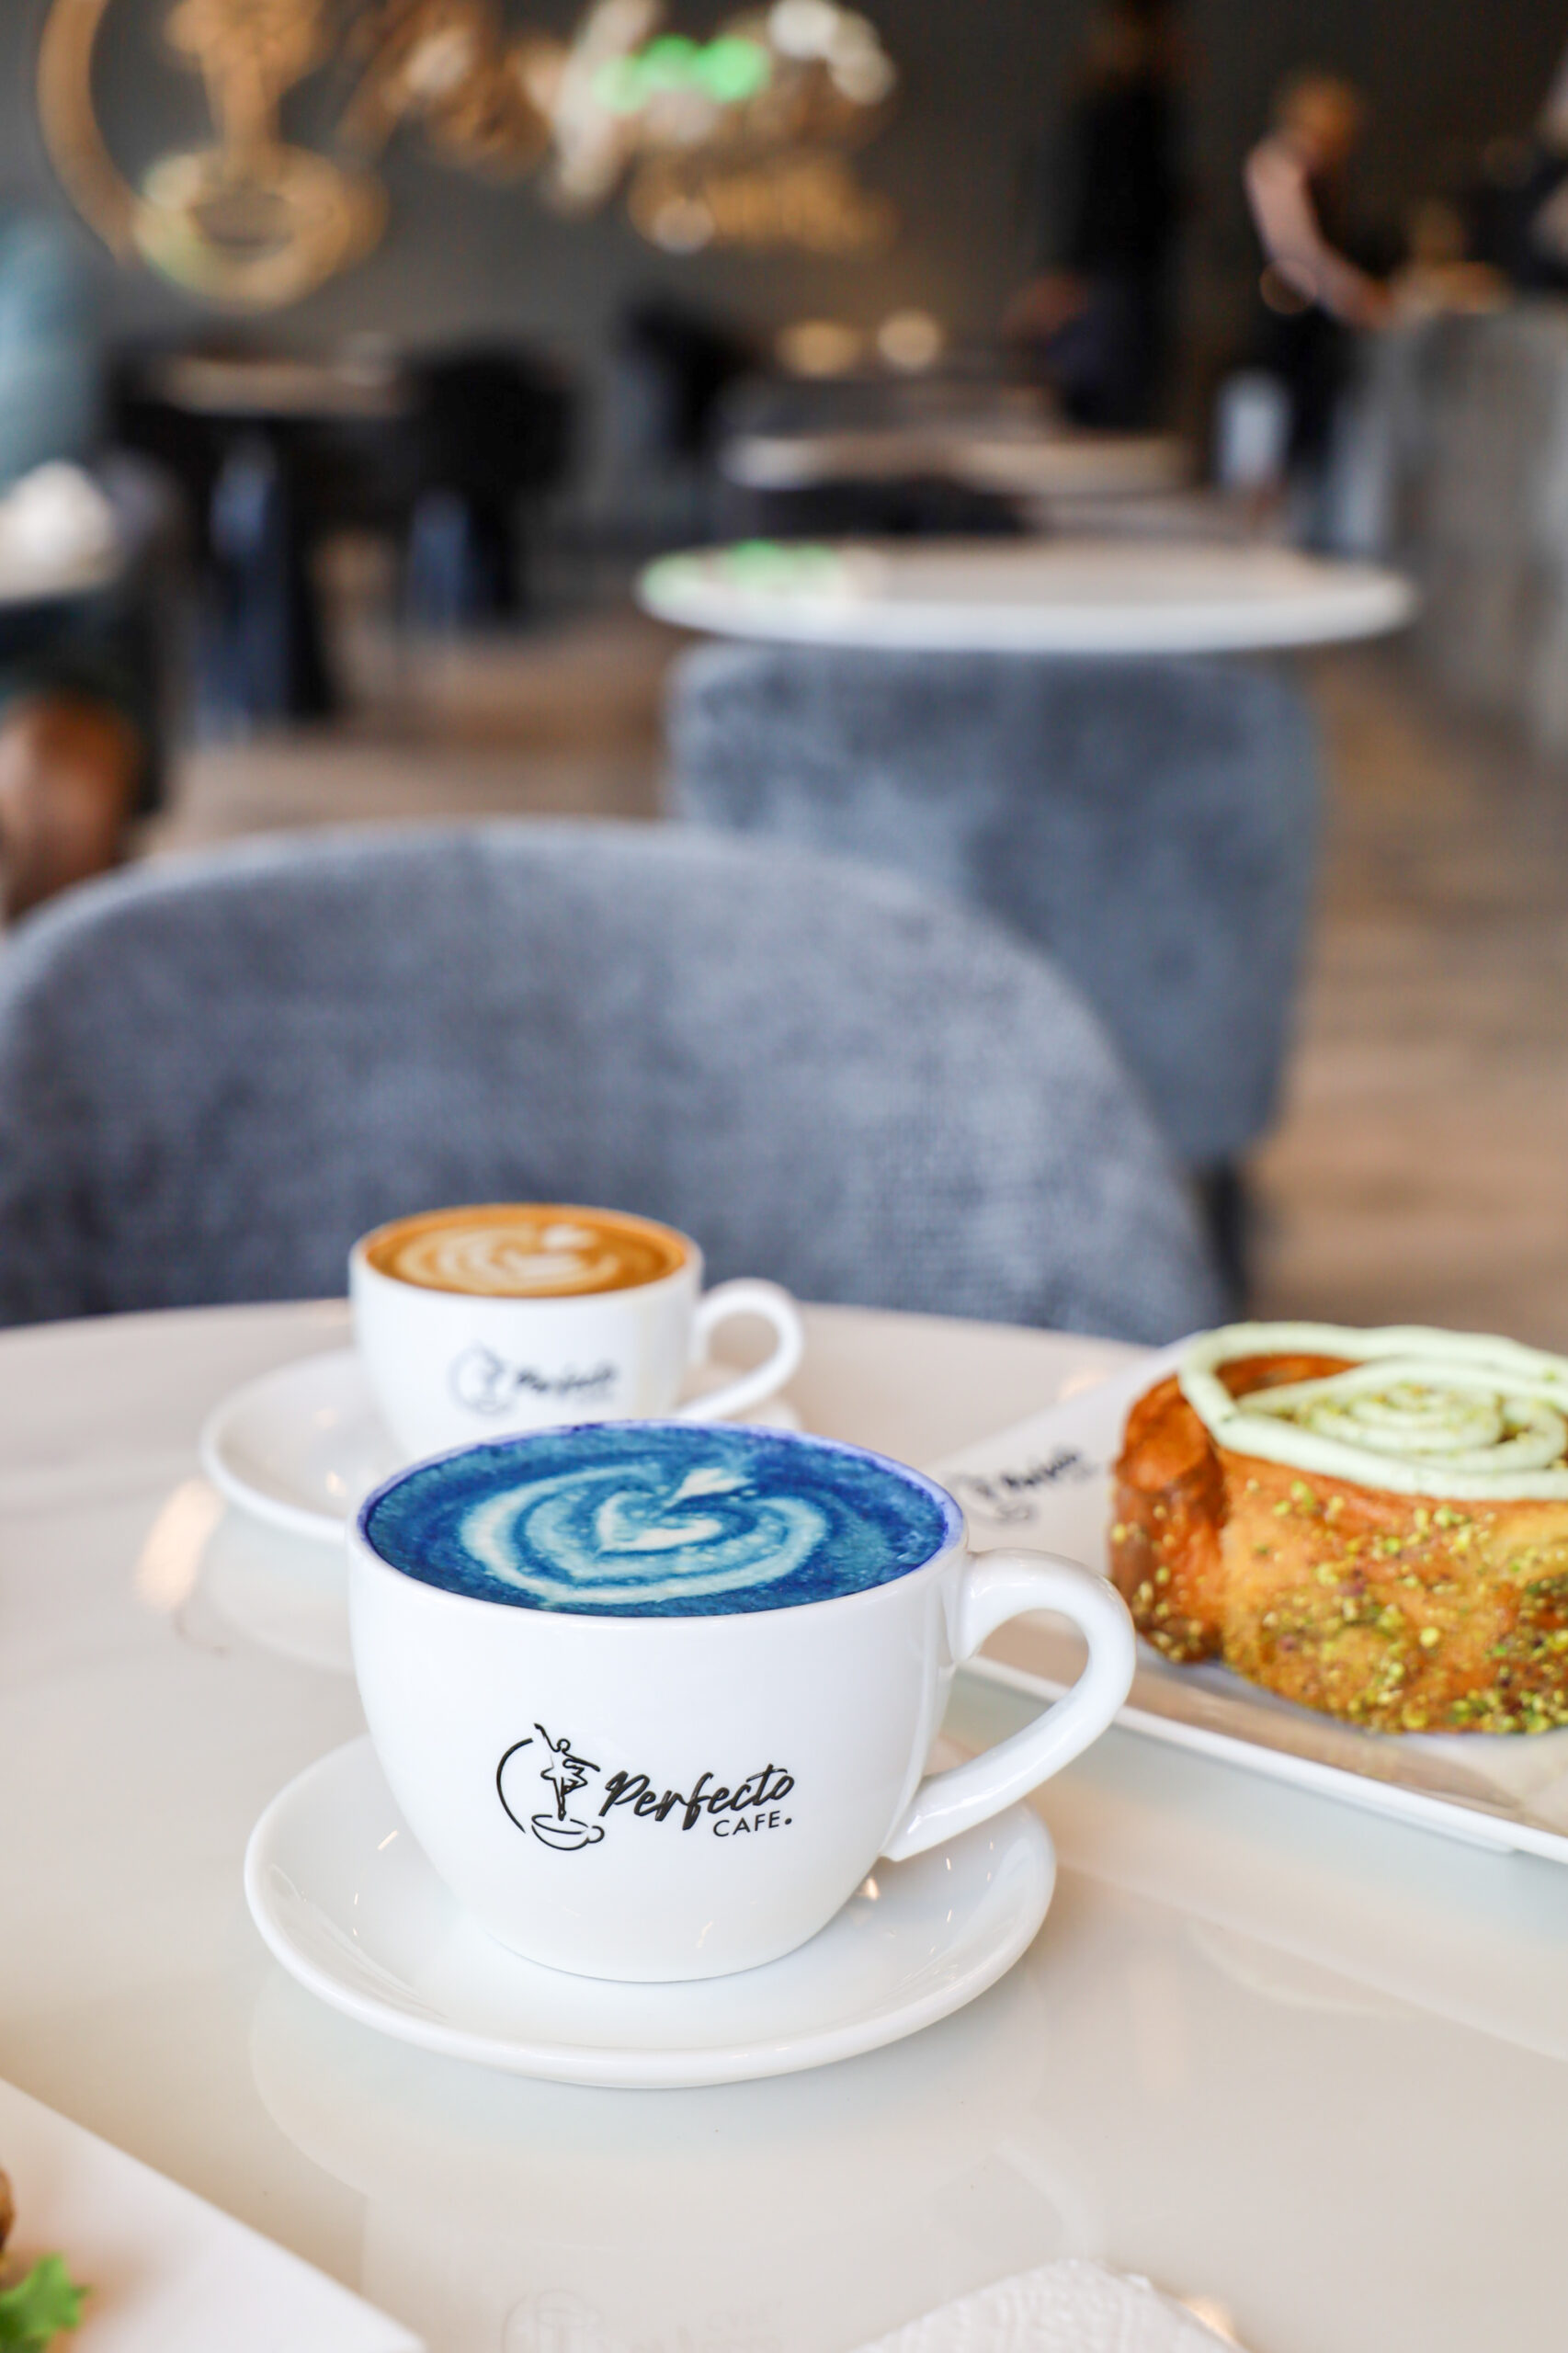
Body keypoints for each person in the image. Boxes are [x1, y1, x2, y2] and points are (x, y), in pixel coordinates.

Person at [0, 208, 153, 924]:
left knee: (61, 780)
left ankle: (48, 1000)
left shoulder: (30, 264)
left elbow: (33, 433)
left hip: (29, 642)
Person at [1006, 0, 1187, 429]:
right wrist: (1064, 275)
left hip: (1116, 279)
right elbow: (1101, 201)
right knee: (1103, 406)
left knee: (1102, 407)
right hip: (1108, 281)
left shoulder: (1130, 104)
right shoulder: (1128, 108)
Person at [1243, 74, 1391, 484]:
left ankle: (1299, 502)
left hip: (1320, 314)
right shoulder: (1278, 165)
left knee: (1315, 412)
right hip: (1289, 309)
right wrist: (1353, 295)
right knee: (1284, 411)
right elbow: (1294, 251)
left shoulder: (1329, 172)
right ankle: (1269, 499)